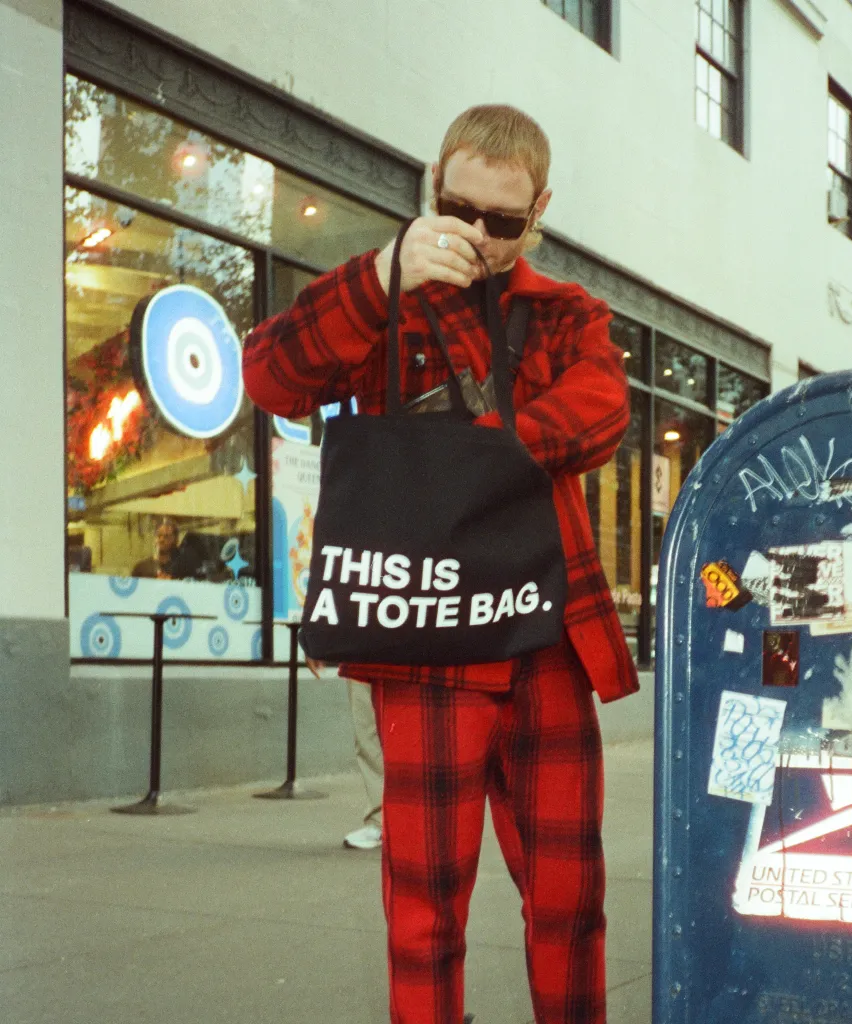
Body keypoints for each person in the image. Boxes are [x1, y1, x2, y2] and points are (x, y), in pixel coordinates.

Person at [243, 104, 639, 1024]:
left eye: (502, 221)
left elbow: (602, 411)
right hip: (423, 636)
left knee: (572, 901)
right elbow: (269, 377)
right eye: (456, 208)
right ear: (433, 183)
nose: (475, 234)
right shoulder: (380, 301)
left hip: (544, 632)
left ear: (538, 211)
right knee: (423, 914)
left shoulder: (565, 312)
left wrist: (479, 454)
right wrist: (382, 275)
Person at [308, 658, 385, 851]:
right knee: (367, 733)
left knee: (412, 730)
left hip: (413, 642)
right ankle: (381, 823)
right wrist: (316, 640)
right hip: (362, 646)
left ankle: (413, 821)